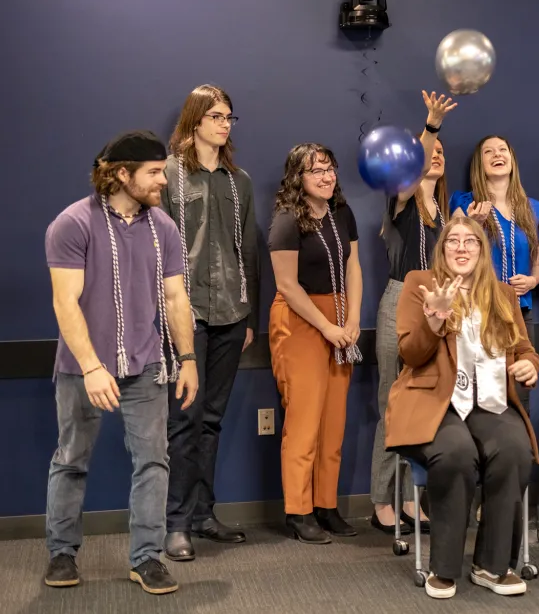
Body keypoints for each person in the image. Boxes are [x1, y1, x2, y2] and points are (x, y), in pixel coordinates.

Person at [43, 130, 198, 595]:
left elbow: (175, 297)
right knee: (71, 459)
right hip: (82, 367)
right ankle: (62, 552)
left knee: (154, 461)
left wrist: (187, 358)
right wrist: (92, 366)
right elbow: (64, 302)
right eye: (153, 173)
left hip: (146, 364)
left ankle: (146, 558)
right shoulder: (72, 224)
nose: (163, 182)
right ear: (121, 173)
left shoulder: (163, 228)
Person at [385, 217, 539, 599]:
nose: (461, 247)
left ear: (482, 251)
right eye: (453, 240)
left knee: (515, 450)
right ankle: (444, 566)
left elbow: (525, 349)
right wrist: (435, 319)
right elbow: (410, 353)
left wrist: (529, 365)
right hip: (435, 401)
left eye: (471, 241)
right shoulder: (420, 284)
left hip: (490, 402)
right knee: (455, 452)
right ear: (442, 249)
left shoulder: (502, 295)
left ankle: (492, 564)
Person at [161, 84, 260, 560]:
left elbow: (250, 253)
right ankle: (175, 523)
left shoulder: (238, 181)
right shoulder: (167, 176)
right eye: (217, 115)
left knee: (212, 420)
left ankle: (203, 514)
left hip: (231, 315)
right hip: (185, 316)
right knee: (184, 419)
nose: (224, 123)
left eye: (229, 117)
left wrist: (250, 318)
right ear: (195, 119)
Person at [370, 91, 457, 535]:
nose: (435, 156)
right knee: (393, 401)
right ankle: (382, 501)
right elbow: (413, 167)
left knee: (423, 403)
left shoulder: (446, 213)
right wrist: (432, 127)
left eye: (441, 152)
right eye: (429, 152)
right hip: (401, 299)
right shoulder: (400, 197)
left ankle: (410, 498)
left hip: (437, 306)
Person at [268, 143, 363, 544]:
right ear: (298, 178)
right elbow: (287, 285)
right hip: (302, 320)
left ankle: (326, 504)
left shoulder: (343, 213)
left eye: (329, 168)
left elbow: (353, 266)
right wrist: (327, 326)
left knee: (333, 421)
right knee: (304, 421)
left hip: (342, 320)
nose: (325, 177)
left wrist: (353, 319)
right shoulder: (287, 220)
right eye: (315, 171)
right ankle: (299, 510)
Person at [450, 135, 539, 325]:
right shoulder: (465, 203)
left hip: (519, 309)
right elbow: (452, 252)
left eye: (502, 149)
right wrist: (473, 226)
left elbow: (538, 264)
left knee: (524, 356)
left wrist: (532, 281)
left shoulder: (535, 209)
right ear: (480, 164)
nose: (497, 154)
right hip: (477, 307)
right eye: (489, 151)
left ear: (511, 159)